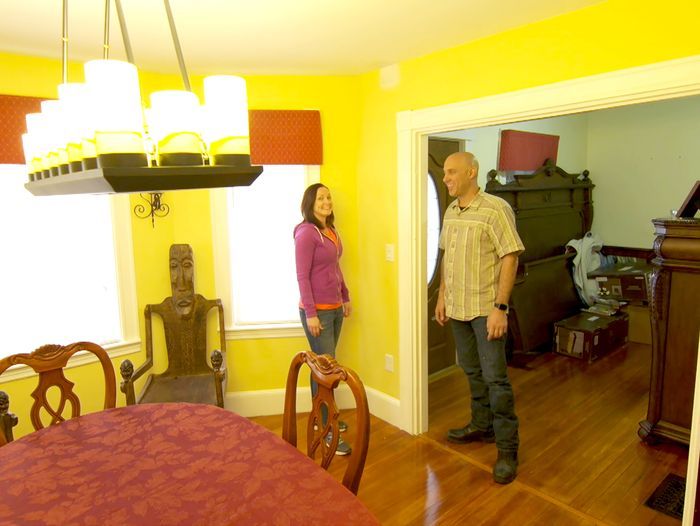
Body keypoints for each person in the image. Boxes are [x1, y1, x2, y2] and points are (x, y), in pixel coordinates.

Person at [435, 152, 525, 484]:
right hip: (457, 308)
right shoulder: (450, 211)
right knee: (471, 371)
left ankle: (507, 449)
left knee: (495, 380)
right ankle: (481, 425)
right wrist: (442, 296)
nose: (446, 178)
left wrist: (500, 307)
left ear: (472, 172)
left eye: (452, 172)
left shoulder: (495, 209)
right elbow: (447, 257)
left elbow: (510, 257)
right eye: (444, 173)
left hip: (486, 312)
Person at [294, 183, 352, 455]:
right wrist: (312, 314)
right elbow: (302, 277)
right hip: (317, 312)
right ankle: (326, 429)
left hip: (335, 308)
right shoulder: (306, 233)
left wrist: (345, 295)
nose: (326, 201)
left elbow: (334, 268)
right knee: (325, 370)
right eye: (320, 198)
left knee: (325, 366)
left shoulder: (330, 231)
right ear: (310, 203)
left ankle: (322, 417)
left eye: (329, 197)